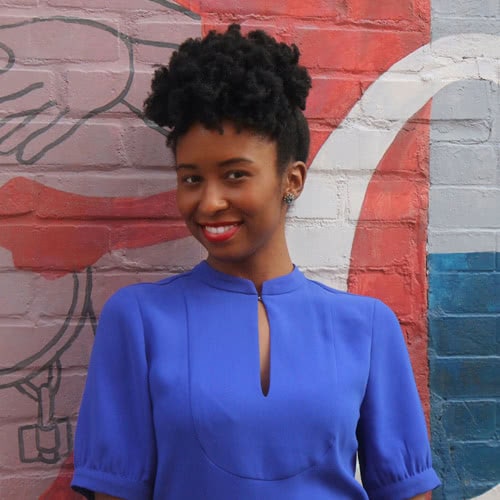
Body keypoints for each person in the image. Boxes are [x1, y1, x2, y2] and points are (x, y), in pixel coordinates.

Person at [71, 24, 441, 500]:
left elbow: (408, 493)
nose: (208, 203)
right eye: (191, 179)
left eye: (235, 175)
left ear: (292, 179)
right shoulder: (139, 321)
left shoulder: (367, 328)